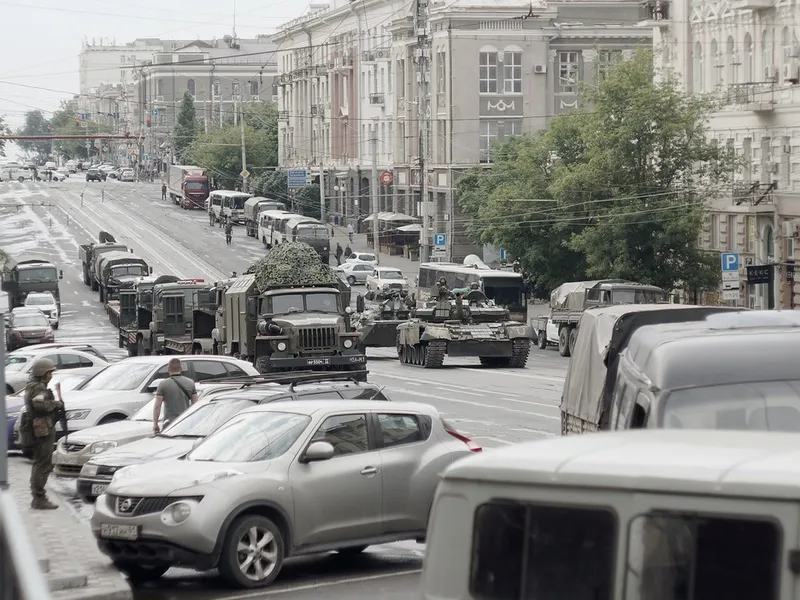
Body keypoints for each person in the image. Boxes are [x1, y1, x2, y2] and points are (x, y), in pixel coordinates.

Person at [20, 358, 61, 510]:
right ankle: (39, 497)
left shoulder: (35, 386)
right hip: (42, 429)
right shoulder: (37, 388)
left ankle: (38, 496)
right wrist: (57, 404)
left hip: (41, 427)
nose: (51, 375)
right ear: (42, 373)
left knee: (40, 462)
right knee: (43, 463)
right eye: (49, 372)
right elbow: (41, 407)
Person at [153, 358, 198, 434]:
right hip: (185, 421)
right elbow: (196, 405)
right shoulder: (190, 383)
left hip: (169, 423)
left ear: (168, 369)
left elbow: (157, 406)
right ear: (181, 368)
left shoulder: (163, 384)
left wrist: (155, 423)